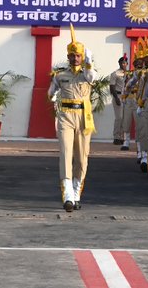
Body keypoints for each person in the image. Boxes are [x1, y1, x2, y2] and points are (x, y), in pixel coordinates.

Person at [48, 26, 96, 211]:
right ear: (68, 56)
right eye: (72, 55)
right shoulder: (60, 75)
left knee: (82, 158)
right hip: (66, 116)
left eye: (78, 55)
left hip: (83, 117)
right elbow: (51, 92)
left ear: (82, 57)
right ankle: (67, 195)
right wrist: (53, 95)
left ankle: (76, 193)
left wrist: (89, 62)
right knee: (66, 154)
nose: (75, 58)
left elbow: (91, 76)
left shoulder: (87, 74)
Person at [109, 55, 128, 145]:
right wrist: (116, 98)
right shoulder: (115, 73)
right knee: (119, 118)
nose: (123, 64)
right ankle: (116, 137)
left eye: (125, 63)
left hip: (127, 97)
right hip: (118, 96)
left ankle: (122, 137)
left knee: (125, 119)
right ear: (119, 63)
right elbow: (112, 87)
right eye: (122, 63)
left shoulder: (129, 73)